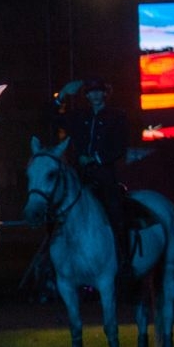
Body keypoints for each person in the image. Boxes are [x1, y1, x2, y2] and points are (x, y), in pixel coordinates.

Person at [51, 77, 130, 277]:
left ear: (105, 93)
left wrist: (96, 158)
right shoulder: (79, 116)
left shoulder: (117, 116)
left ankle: (123, 259)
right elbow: (51, 119)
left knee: (116, 211)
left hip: (104, 175)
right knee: (56, 209)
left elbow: (120, 145)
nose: (95, 95)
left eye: (98, 91)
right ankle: (53, 264)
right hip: (80, 176)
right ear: (86, 95)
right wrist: (61, 95)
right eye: (91, 92)